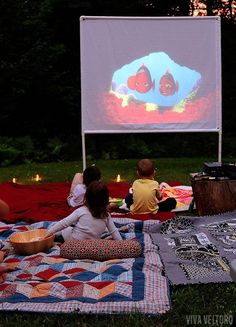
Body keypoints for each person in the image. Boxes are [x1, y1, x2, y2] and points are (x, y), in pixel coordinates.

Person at [46, 180, 122, 242]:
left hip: (72, 243)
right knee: (70, 227)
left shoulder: (81, 211)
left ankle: (52, 236)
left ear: (87, 197)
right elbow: (114, 231)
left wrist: (47, 234)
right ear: (106, 199)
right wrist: (122, 245)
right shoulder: (106, 215)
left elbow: (63, 223)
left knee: (66, 229)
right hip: (89, 245)